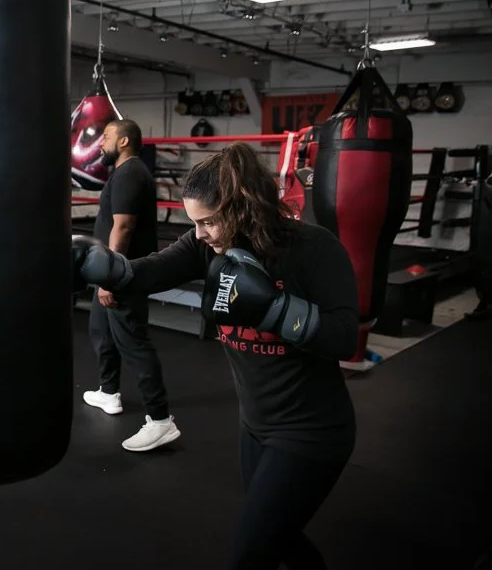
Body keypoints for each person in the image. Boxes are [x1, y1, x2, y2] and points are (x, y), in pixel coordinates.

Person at [72, 142, 358, 569]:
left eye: (208, 221)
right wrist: (109, 268)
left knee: (251, 554)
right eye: (195, 223)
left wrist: (273, 309)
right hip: (256, 427)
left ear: (243, 208)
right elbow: (152, 269)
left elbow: (343, 338)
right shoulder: (208, 246)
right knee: (280, 538)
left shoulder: (313, 248)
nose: (200, 233)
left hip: (312, 432)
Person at [81, 118, 181, 452]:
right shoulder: (126, 173)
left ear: (124, 141)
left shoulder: (129, 175)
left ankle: (160, 420)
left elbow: (122, 228)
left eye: (106, 137)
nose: (100, 144)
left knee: (134, 343)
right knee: (101, 330)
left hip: (122, 276)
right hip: (111, 275)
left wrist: (109, 276)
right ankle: (109, 392)